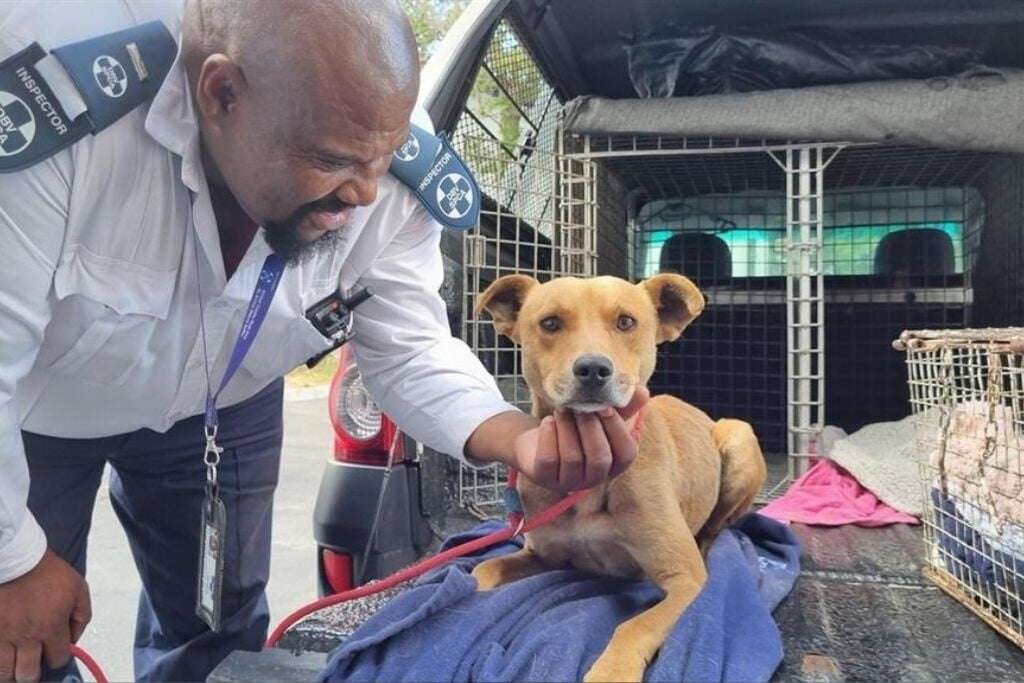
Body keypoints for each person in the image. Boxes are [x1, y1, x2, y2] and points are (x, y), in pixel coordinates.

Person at [0, 1, 648, 681]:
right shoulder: (56, 98)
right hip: (35, 415)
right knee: (23, 639)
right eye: (335, 163)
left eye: (382, 160)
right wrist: (11, 558)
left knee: (218, 636)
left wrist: (520, 438)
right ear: (221, 93)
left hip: (226, 404)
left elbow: (408, 344)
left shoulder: (374, 137)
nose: (368, 194)